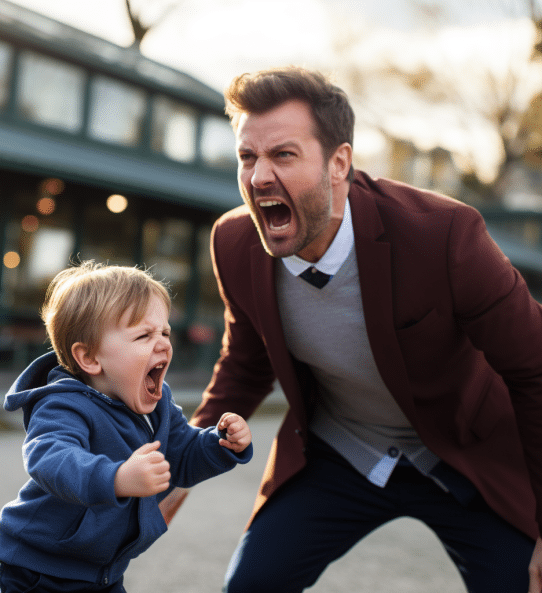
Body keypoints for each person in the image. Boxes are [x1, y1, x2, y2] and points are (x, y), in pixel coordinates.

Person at [160, 67, 542, 592]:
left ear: (339, 163)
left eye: (283, 155)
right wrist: (187, 459)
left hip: (464, 452)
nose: (259, 177)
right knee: (251, 586)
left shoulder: (445, 236)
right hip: (341, 452)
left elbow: (535, 371)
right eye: (248, 157)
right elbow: (246, 365)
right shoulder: (234, 241)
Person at [0, 261, 252, 593]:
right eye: (144, 335)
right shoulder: (63, 404)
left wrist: (219, 443)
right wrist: (117, 478)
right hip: (40, 568)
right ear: (90, 359)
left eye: (165, 332)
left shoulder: (156, 401)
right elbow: (51, 458)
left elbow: (182, 457)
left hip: (103, 569)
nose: (162, 344)